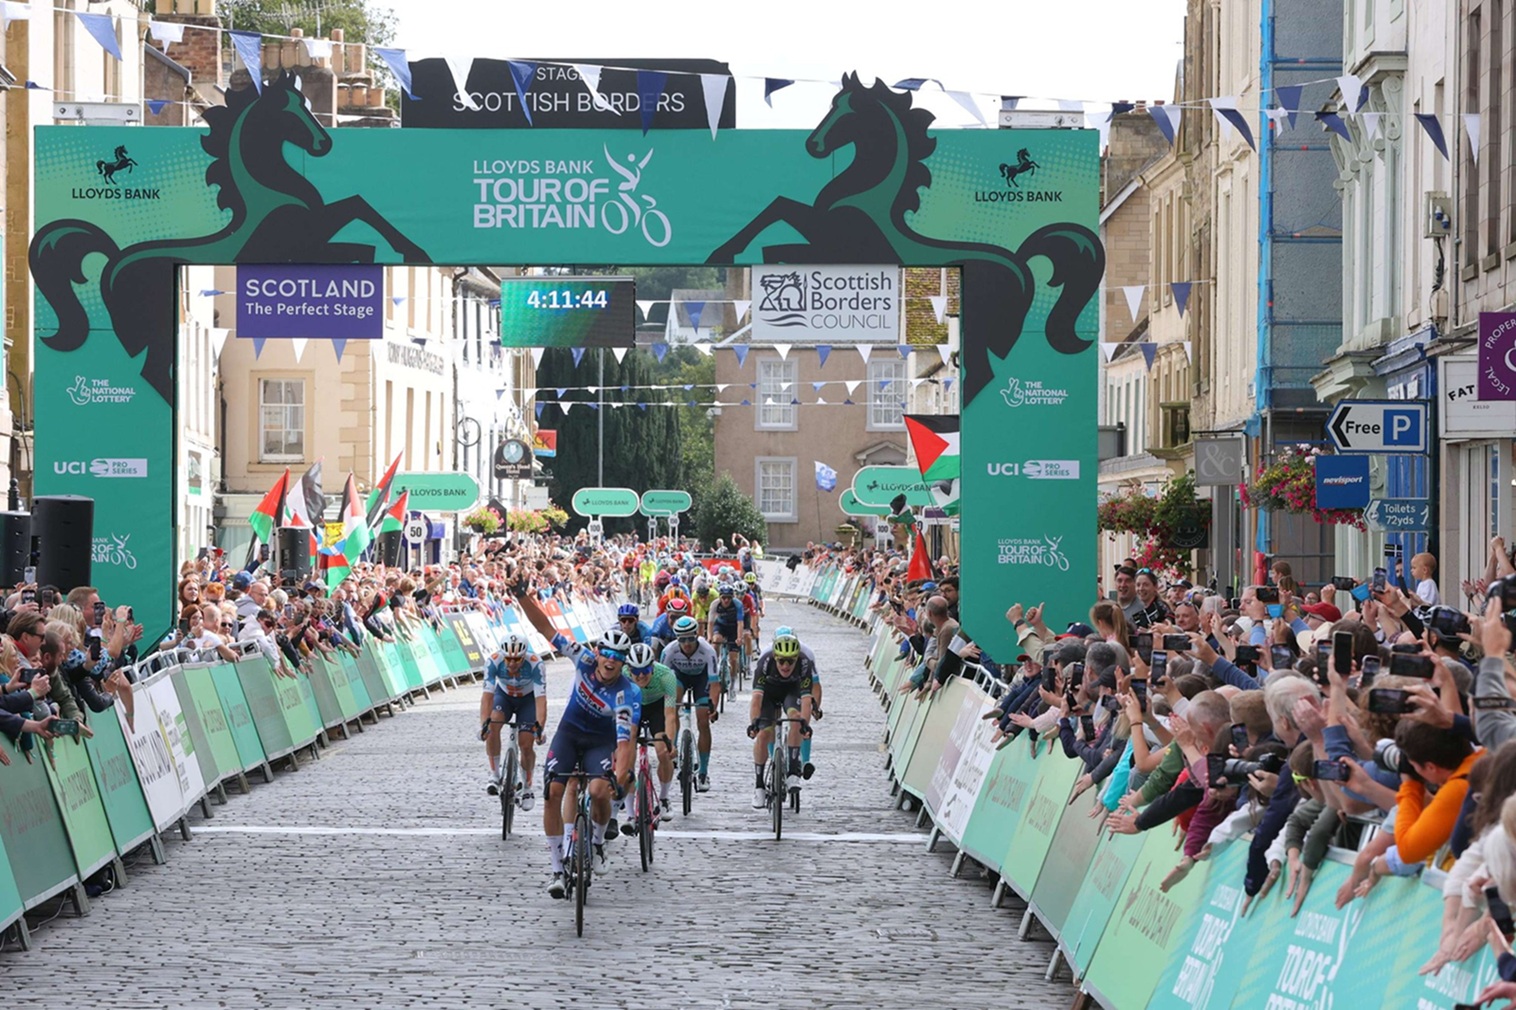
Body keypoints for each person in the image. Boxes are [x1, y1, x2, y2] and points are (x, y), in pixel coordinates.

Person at [542, 628, 640, 899]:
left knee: (599, 792)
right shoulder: (582, 659)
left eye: (618, 657)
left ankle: (597, 843)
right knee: (553, 793)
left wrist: (620, 782)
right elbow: (545, 629)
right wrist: (521, 594)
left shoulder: (624, 694)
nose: (611, 661)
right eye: (607, 654)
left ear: (624, 663)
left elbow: (624, 744)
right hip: (568, 735)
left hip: (599, 742)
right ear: (597, 653)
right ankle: (557, 870)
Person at [747, 633, 815, 808]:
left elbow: (807, 699)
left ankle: (793, 772)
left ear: (796, 659)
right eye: (782, 661)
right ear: (775, 657)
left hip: (791, 692)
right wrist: (754, 722)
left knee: (796, 719)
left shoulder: (805, 663)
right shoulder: (765, 663)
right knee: (763, 734)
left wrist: (805, 725)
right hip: (768, 695)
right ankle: (759, 786)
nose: (786, 666)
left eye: (790, 662)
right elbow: (756, 699)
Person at [482, 634, 547, 809]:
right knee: (493, 725)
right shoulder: (493, 662)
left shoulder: (535, 664)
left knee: (526, 744)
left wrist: (539, 727)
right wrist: (484, 724)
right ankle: (494, 774)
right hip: (504, 697)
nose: (512, 663)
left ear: (524, 655)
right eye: (508, 659)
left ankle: (527, 787)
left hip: (528, 700)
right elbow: (487, 697)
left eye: (517, 659)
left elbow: (541, 700)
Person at [621, 641, 678, 830]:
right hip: (633, 707)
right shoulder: (622, 676)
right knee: (627, 755)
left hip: (656, 708)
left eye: (645, 670)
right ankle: (630, 814)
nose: (640, 675)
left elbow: (670, 715)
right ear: (629, 669)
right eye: (635, 671)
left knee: (662, 751)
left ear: (652, 666)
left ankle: (664, 798)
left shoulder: (666, 676)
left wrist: (670, 743)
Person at [659, 615, 720, 792]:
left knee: (703, 721)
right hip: (679, 677)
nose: (686, 644)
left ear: (697, 635)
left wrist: (713, 708)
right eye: (682, 639)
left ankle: (703, 772)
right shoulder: (669, 651)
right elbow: (661, 680)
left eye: (690, 639)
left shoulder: (708, 651)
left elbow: (715, 684)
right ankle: (674, 748)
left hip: (702, 680)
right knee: (673, 704)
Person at [707, 583, 746, 710]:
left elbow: (740, 623)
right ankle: (715, 664)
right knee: (715, 640)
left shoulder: (738, 605)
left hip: (734, 628)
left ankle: (732, 686)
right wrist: (709, 637)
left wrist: (739, 638)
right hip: (721, 627)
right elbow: (711, 623)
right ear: (720, 597)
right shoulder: (715, 604)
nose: (726, 600)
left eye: (729, 598)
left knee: (733, 659)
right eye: (723, 598)